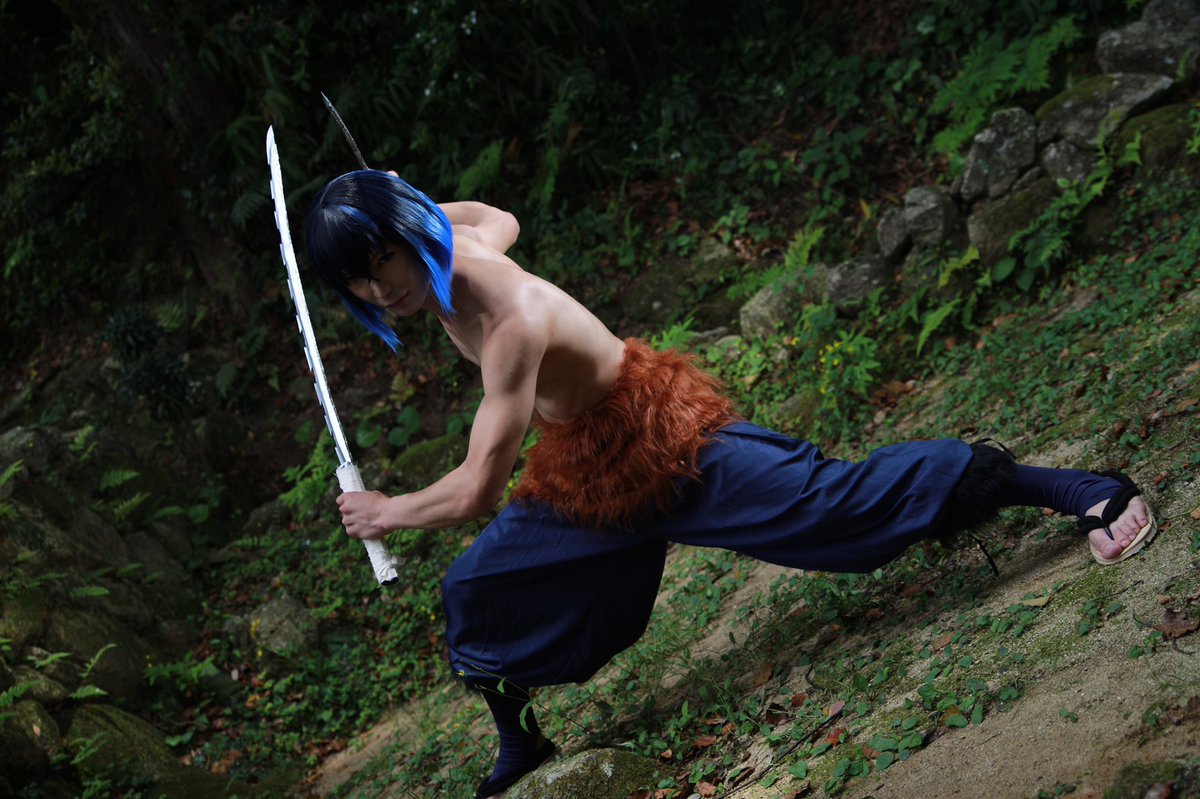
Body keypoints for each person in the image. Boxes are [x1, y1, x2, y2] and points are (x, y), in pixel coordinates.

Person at [304, 169, 1156, 799]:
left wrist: (386, 511)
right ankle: (523, 746)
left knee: (840, 509)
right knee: (476, 590)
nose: (383, 289)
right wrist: (407, 209)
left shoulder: (508, 320)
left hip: (665, 444)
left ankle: (1077, 488)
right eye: (360, 280)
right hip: (586, 470)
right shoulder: (454, 246)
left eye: (385, 260)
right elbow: (501, 215)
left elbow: (476, 490)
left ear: (408, 231)